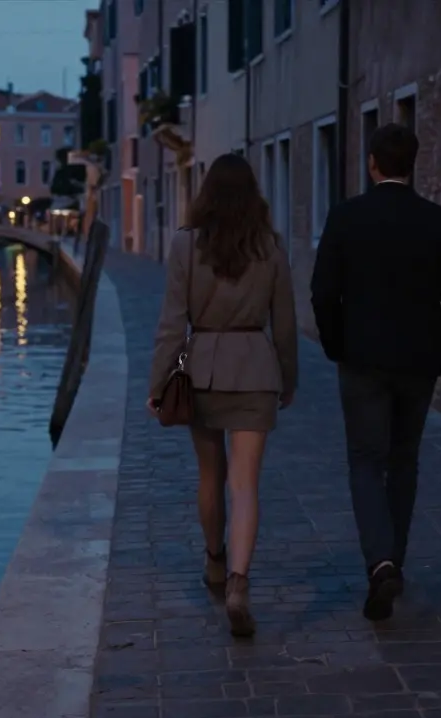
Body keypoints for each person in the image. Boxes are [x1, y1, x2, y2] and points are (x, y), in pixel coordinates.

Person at [310, 123, 441, 622]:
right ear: (412, 165)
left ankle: (381, 562)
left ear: (372, 164)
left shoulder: (345, 217)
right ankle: (393, 561)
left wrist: (335, 344)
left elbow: (323, 292)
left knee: (366, 460)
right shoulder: (438, 222)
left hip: (361, 360)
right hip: (418, 361)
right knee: (403, 460)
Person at [148, 153, 298, 638]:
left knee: (209, 475)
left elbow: (172, 324)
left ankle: (214, 560)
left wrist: (158, 384)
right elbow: (285, 323)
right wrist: (289, 378)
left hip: (204, 371)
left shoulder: (185, 245)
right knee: (245, 483)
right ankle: (238, 583)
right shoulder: (270, 247)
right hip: (256, 368)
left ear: (207, 194)